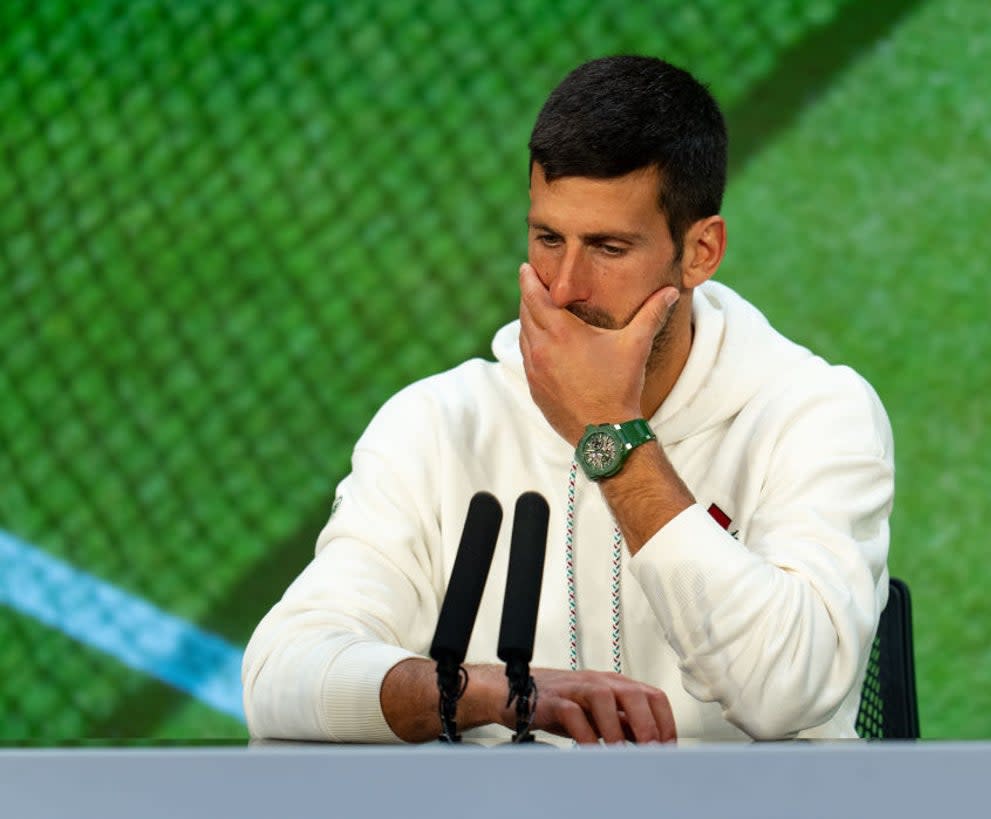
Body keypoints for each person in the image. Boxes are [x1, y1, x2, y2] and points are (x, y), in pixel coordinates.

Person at [242, 55, 893, 744]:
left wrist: (611, 437)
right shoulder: (436, 424)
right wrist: (484, 691)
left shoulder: (817, 414)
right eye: (548, 238)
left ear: (701, 251)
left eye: (609, 247)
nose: (565, 286)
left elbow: (788, 687)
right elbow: (280, 675)